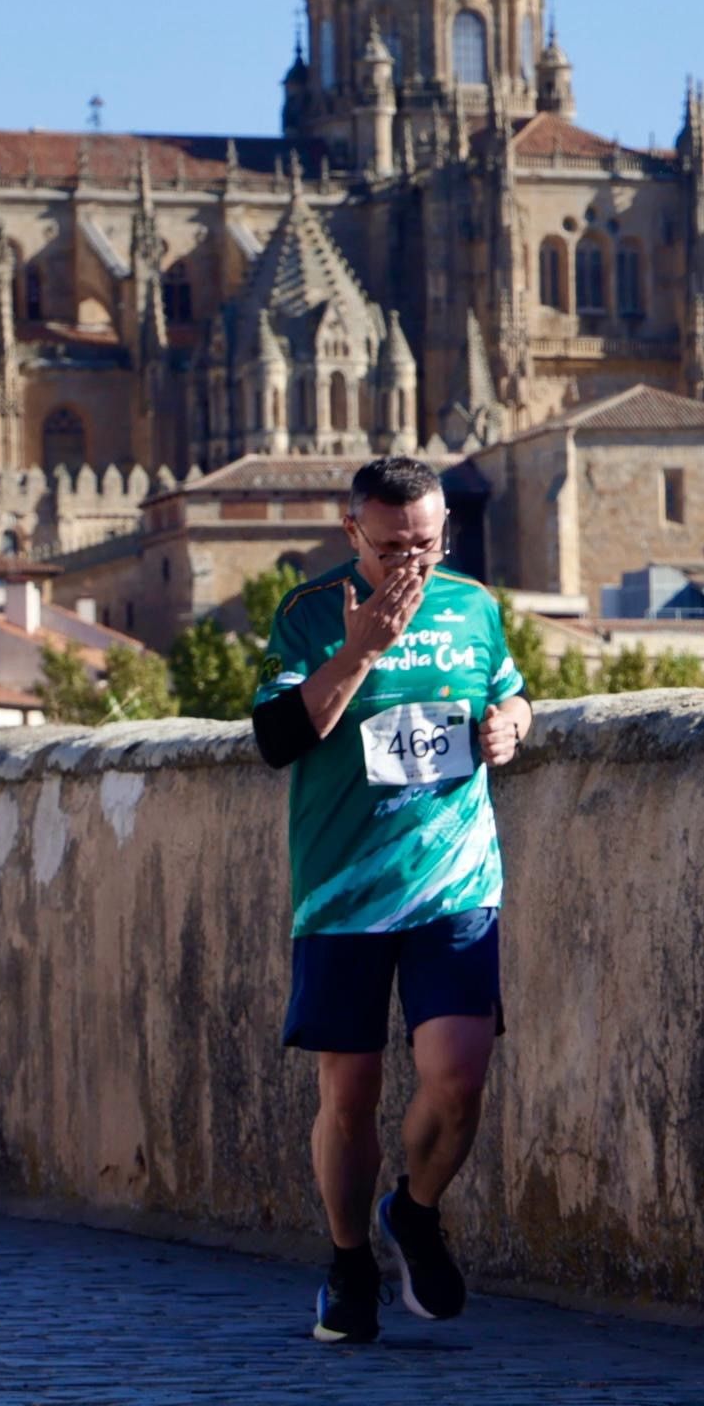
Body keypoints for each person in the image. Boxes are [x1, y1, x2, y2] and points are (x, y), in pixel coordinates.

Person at [248, 455, 532, 1346]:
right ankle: (346, 1262)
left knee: (459, 1075)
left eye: (428, 540)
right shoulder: (306, 613)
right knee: (352, 1089)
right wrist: (360, 650)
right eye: (392, 545)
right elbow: (277, 736)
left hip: (456, 879)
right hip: (344, 888)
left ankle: (413, 1208)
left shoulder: (474, 606)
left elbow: (513, 697)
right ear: (352, 535)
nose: (412, 560)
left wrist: (510, 728)